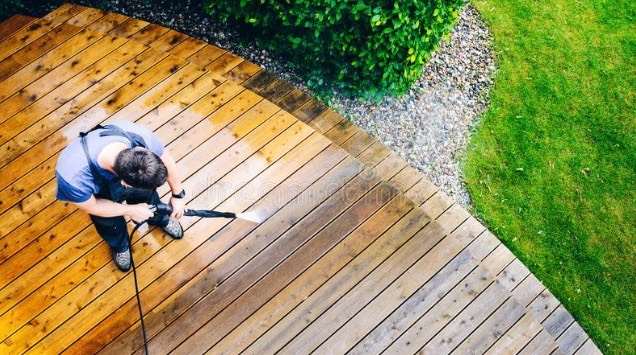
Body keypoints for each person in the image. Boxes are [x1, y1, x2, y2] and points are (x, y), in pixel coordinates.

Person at [55, 120, 186, 272]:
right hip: (98, 198)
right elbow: (93, 206)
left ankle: (159, 219)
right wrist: (130, 210)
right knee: (109, 223)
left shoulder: (139, 137)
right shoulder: (73, 178)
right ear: (124, 183)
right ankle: (120, 245)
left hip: (128, 180)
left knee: (149, 198)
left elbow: (166, 160)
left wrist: (178, 195)